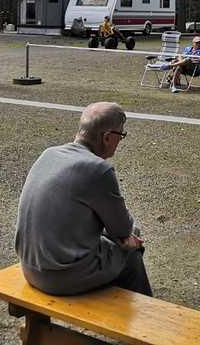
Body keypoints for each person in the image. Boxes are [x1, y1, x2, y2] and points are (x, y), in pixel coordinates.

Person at [15, 102, 152, 297]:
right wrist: (127, 236)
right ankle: (140, 310)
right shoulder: (98, 169)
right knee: (131, 248)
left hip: (30, 267)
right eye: (121, 135)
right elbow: (122, 228)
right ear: (107, 137)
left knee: (118, 239)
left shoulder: (49, 154)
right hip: (59, 278)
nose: (120, 141)